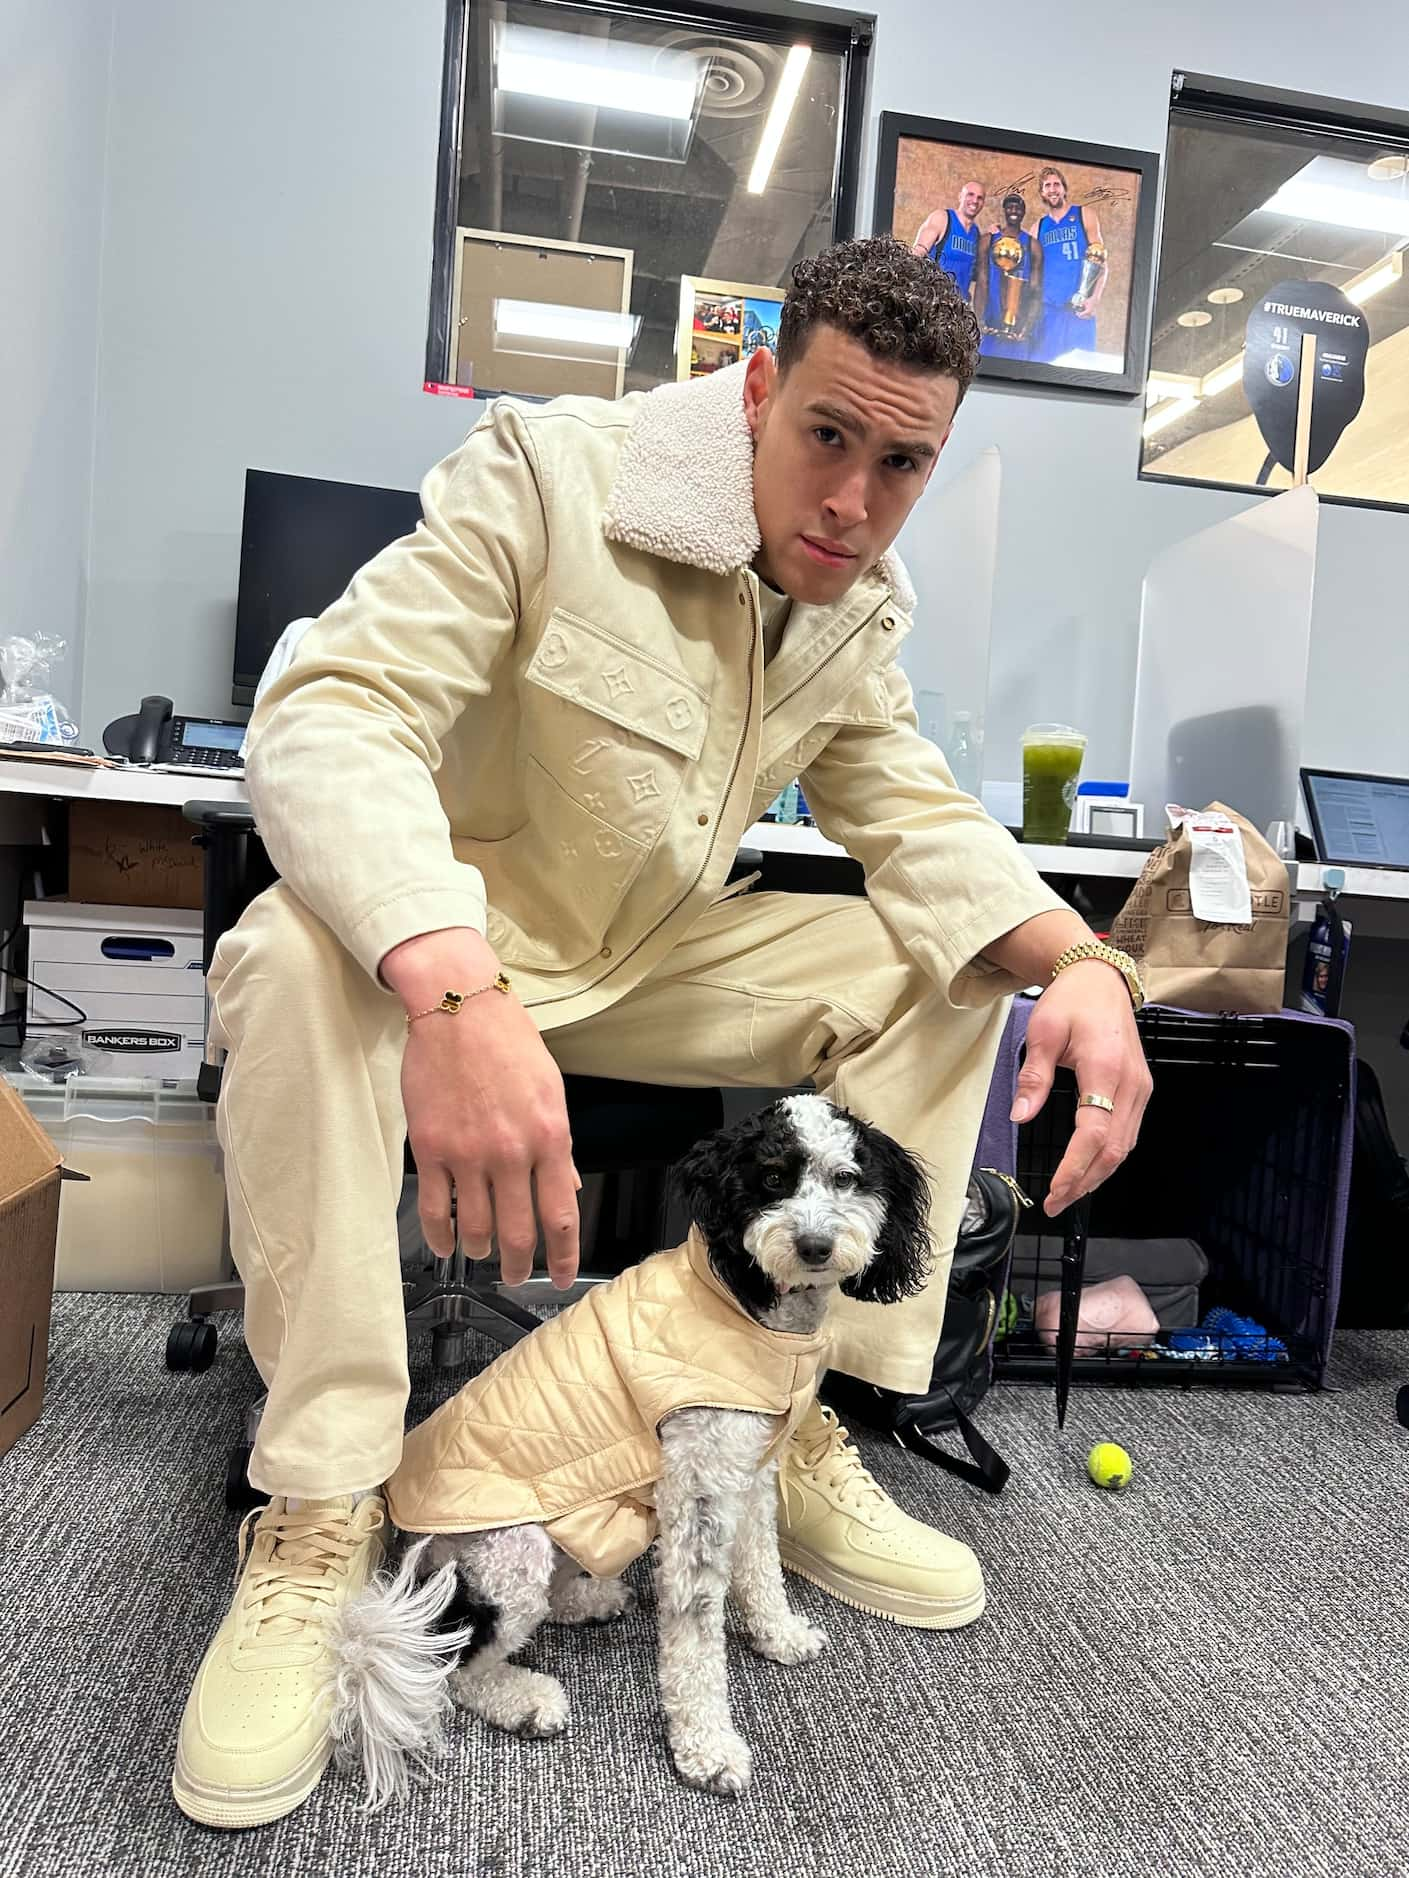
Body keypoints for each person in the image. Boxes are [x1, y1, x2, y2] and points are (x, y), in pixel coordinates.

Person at [171, 236, 1152, 1829]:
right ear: (755, 389)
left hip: (641, 961)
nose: (853, 497)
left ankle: (805, 1407)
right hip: (456, 941)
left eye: (902, 462)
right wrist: (454, 980)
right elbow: (334, 711)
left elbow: (914, 816)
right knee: (284, 947)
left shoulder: (853, 607)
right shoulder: (551, 477)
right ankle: (317, 1507)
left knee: (941, 961)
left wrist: (1085, 957)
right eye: (827, 435)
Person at [1032, 166, 1106, 363]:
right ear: (1042, 192)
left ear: (1064, 189)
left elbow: (1101, 261)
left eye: (1057, 184)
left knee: (1080, 372)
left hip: (1078, 309)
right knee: (1045, 372)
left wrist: (1095, 299)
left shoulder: (1084, 215)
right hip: (1048, 313)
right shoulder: (1037, 227)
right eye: (1047, 185)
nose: (1052, 189)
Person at [977, 192, 1042, 362]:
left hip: (1018, 325)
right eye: (1010, 207)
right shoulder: (988, 240)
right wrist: (978, 319)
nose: (1014, 210)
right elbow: (982, 282)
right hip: (990, 320)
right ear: (1004, 210)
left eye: (1018, 207)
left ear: (1024, 212)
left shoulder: (1033, 245)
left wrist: (1028, 326)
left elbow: (1036, 289)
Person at [911, 180, 986, 309]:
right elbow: (916, 255)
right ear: (960, 196)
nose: (975, 201)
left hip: (956, 308)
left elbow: (973, 273)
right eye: (970, 194)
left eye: (980, 198)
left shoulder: (976, 233)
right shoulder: (942, 218)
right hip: (932, 302)